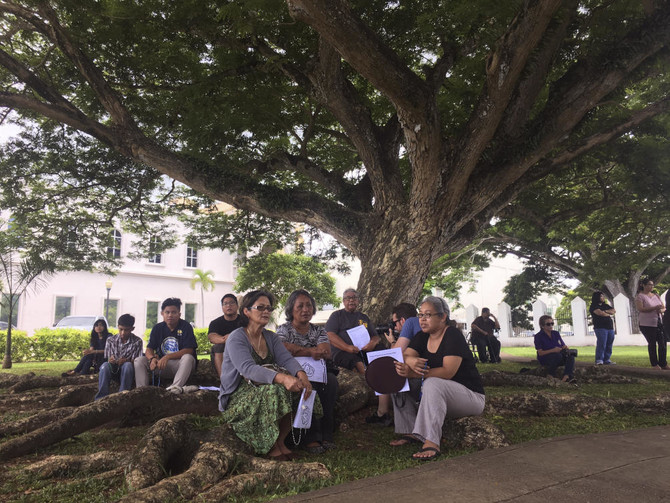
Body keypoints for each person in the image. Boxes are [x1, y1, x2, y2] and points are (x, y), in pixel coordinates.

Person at [219, 290, 317, 460]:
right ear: (246, 311)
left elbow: (286, 359)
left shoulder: (270, 336)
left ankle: (280, 442)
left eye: (269, 308)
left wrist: (302, 376)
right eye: (260, 307)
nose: (266, 311)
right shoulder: (236, 338)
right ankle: (269, 446)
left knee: (301, 390)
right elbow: (248, 369)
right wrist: (283, 378)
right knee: (275, 391)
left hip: (265, 386)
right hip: (238, 394)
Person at [389, 296, 485, 461]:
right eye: (420, 315)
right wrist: (410, 361)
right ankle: (413, 431)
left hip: (470, 397)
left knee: (432, 383)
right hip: (439, 394)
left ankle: (432, 441)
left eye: (428, 315)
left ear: (442, 317)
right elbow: (405, 354)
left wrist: (412, 373)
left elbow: (448, 372)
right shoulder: (422, 336)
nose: (423, 319)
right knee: (396, 377)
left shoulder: (452, 335)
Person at [276, 289, 338, 454]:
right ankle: (310, 438)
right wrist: (310, 351)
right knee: (310, 386)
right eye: (300, 306)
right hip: (293, 373)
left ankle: (326, 434)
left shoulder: (318, 330)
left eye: (309, 305)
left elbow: (326, 351)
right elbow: (282, 349)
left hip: (319, 371)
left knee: (331, 382)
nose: (305, 310)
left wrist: (297, 350)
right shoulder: (283, 330)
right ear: (291, 309)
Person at [325, 288, 389, 425]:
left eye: (354, 297)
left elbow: (376, 336)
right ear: (343, 301)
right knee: (355, 360)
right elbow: (330, 335)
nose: (351, 300)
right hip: (343, 352)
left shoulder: (363, 317)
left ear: (358, 301)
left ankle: (387, 376)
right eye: (348, 298)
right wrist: (347, 347)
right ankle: (370, 381)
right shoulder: (337, 316)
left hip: (363, 349)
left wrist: (372, 343)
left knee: (381, 349)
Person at [134, 297, 198, 392]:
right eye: (167, 312)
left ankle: (174, 389)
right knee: (139, 360)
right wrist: (152, 358)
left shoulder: (185, 326)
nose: (170, 315)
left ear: (179, 314)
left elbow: (189, 350)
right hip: (161, 365)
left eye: (174, 312)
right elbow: (149, 349)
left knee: (188, 357)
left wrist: (167, 357)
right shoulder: (157, 328)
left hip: (181, 365)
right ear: (162, 313)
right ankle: (142, 391)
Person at [95, 314, 143, 400]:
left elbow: (137, 361)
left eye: (126, 330)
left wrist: (127, 360)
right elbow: (108, 358)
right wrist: (111, 360)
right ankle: (100, 398)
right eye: (120, 329)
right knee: (104, 366)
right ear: (118, 327)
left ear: (132, 329)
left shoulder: (137, 341)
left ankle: (122, 395)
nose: (123, 333)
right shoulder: (111, 340)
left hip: (128, 372)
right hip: (113, 370)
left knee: (128, 365)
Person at [635, 278, 667, 369]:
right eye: (649, 284)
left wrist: (660, 309)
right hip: (647, 324)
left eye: (652, 285)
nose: (651, 286)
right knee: (652, 343)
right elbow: (641, 309)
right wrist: (654, 308)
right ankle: (654, 364)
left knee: (662, 343)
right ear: (644, 285)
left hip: (658, 322)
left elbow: (663, 307)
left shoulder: (656, 295)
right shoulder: (640, 296)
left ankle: (663, 363)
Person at [534, 315, 576, 382]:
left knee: (571, 356)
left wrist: (565, 348)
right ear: (542, 326)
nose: (551, 326)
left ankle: (567, 376)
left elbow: (562, 345)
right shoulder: (538, 336)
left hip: (558, 356)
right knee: (557, 356)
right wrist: (553, 350)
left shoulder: (555, 333)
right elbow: (540, 353)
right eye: (548, 324)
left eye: (552, 323)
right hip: (546, 358)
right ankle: (550, 374)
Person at [208, 294, 242, 376]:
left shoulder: (244, 321)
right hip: (222, 350)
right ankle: (223, 379)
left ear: (237, 306)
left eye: (231, 303)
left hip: (241, 348)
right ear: (222, 307)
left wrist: (232, 337)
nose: (228, 306)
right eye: (225, 304)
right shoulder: (215, 323)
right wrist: (225, 339)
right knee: (218, 347)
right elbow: (212, 337)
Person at [589, 291, 616, 365]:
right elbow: (600, 313)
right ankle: (599, 359)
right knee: (602, 343)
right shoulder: (593, 306)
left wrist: (605, 311)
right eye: (601, 296)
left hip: (609, 327)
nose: (603, 298)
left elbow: (613, 311)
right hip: (600, 327)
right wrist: (607, 313)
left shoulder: (605, 305)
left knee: (609, 343)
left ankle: (607, 359)